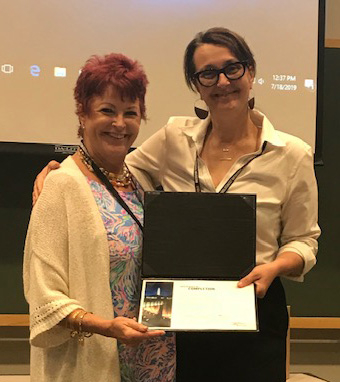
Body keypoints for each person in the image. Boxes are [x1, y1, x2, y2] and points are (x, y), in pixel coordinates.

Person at [33, 28, 320, 382]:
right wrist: (57, 171)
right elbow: (113, 172)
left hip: (253, 308)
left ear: (251, 72)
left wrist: (275, 267)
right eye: (207, 74)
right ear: (196, 85)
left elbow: (303, 240)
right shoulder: (173, 139)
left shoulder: (292, 155)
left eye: (233, 68)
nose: (222, 82)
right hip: (180, 314)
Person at [24, 53, 176, 382]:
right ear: (83, 114)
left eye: (130, 113)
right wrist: (105, 327)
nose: (119, 124)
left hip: (154, 356)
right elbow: (43, 293)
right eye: (107, 111)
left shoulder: (142, 183)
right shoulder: (61, 186)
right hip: (94, 359)